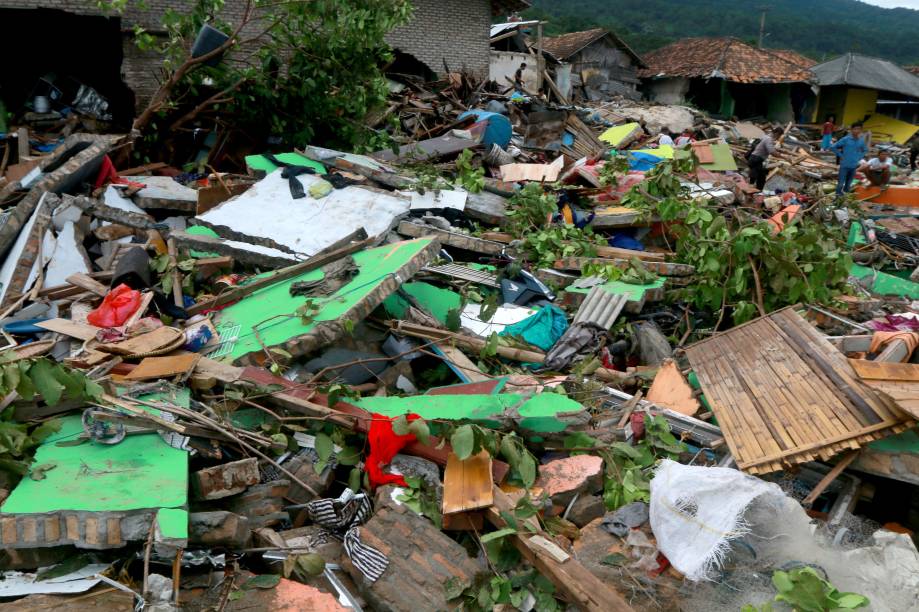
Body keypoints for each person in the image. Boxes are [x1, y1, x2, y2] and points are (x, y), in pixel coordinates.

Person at [830, 122, 868, 195]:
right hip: (844, 166)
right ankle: (837, 199)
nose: (857, 131)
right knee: (840, 184)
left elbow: (865, 150)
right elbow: (833, 147)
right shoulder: (846, 139)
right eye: (855, 129)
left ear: (861, 130)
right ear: (851, 130)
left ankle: (844, 201)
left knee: (848, 186)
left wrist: (859, 157)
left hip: (853, 166)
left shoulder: (861, 141)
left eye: (859, 129)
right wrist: (841, 155)